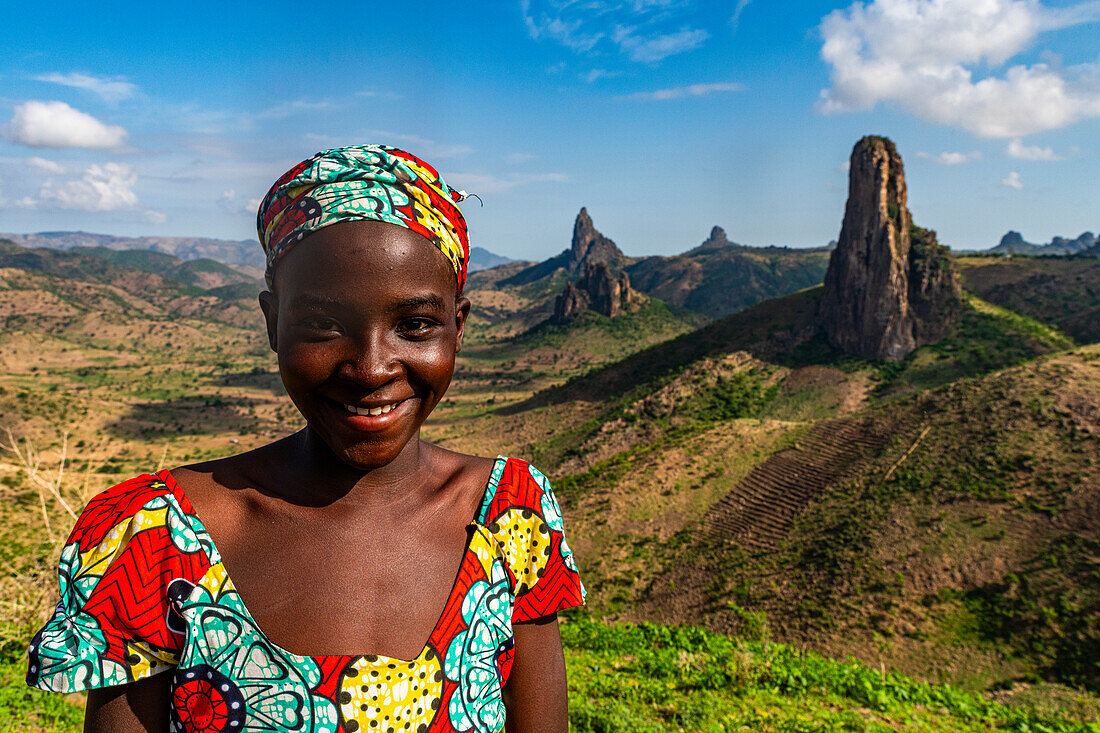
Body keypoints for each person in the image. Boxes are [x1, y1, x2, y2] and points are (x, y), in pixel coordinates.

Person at [26, 145, 585, 733]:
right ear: (272, 322)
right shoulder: (151, 537)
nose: (371, 369)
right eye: (323, 324)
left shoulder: (511, 513)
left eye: (415, 325)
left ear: (458, 326)